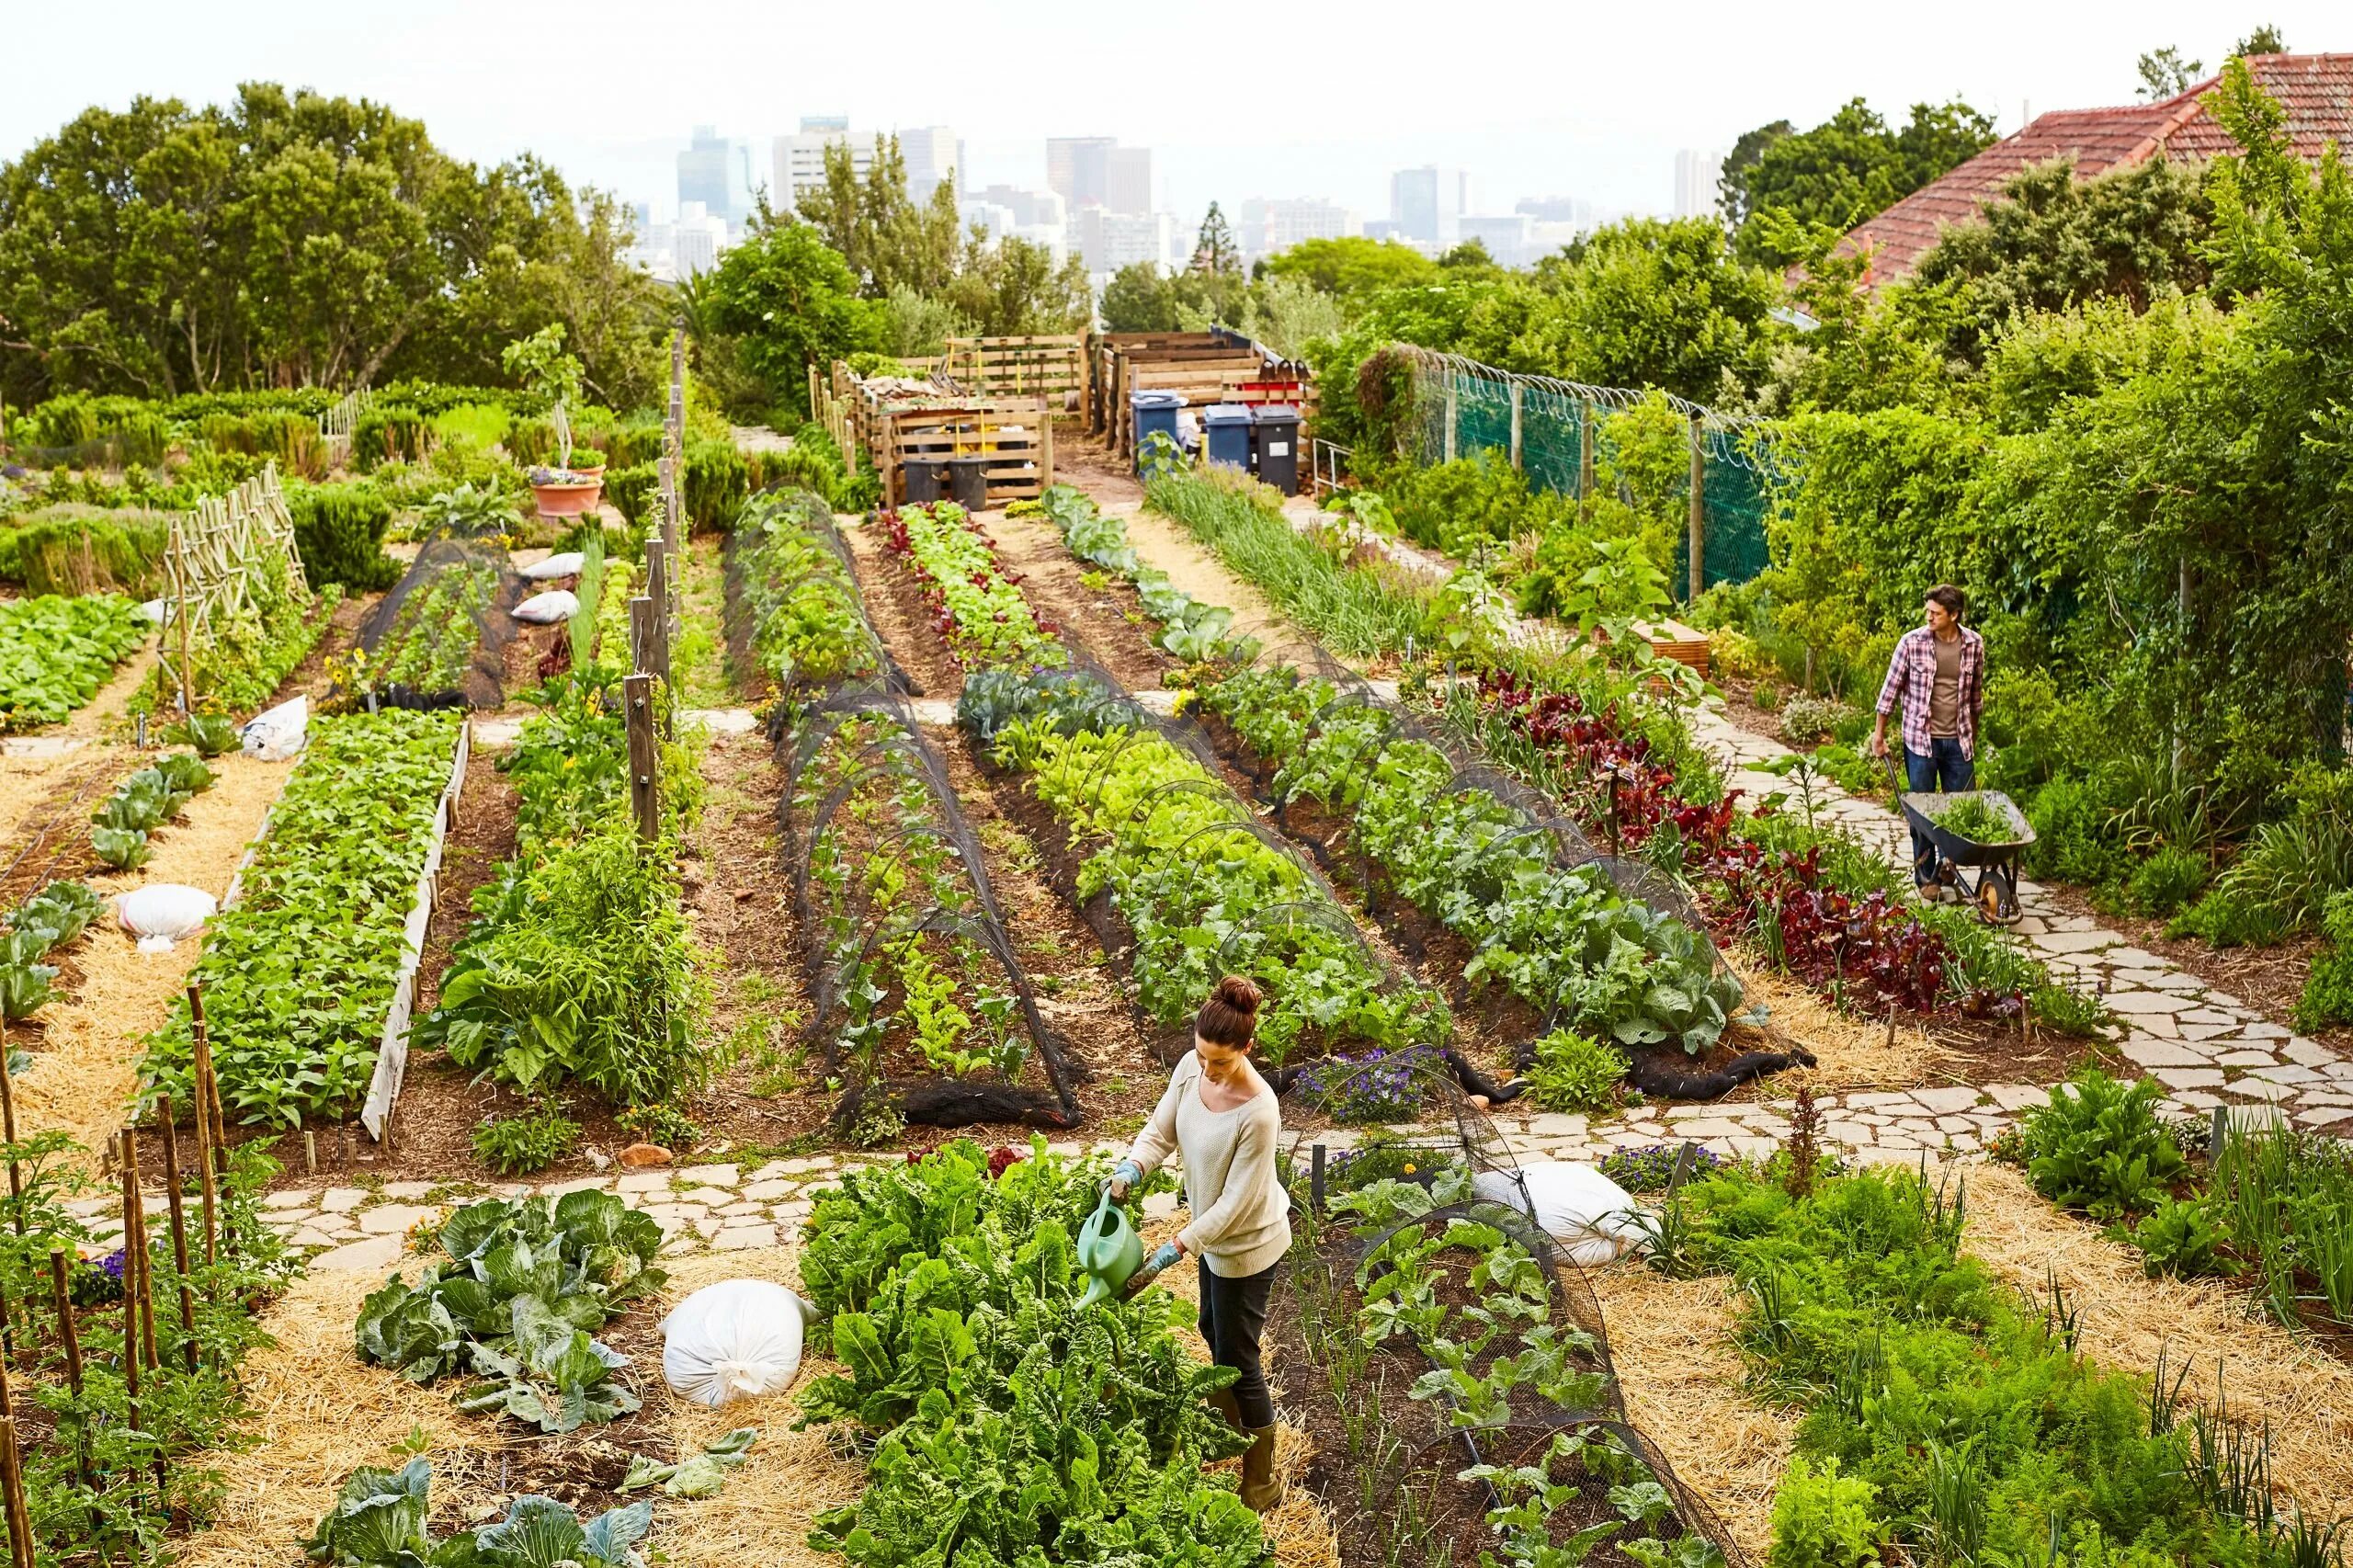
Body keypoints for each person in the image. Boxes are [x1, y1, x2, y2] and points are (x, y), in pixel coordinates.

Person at [1108, 974, 1290, 1513]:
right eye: (1203, 1056)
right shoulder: (1191, 1069)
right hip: (1211, 1238)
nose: (1209, 1070)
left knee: (1239, 1356)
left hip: (1247, 1243)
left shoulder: (1259, 1110)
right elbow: (1162, 1129)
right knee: (1210, 1326)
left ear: (1246, 1049)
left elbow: (1235, 1204)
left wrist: (1177, 1246)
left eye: (1221, 1063)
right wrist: (1132, 1167)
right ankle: (1227, 1428)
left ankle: (1262, 1478)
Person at [1870, 584, 1985, 898]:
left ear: (1954, 615)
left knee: (1960, 808)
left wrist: (1972, 734)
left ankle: (1949, 865)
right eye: (1928, 612)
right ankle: (1926, 878)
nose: (1929, 617)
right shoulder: (1912, 642)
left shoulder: (1973, 643)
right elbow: (1889, 691)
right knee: (1922, 809)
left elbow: (1975, 696)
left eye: (1935, 613)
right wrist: (1879, 735)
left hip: (1958, 740)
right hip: (1921, 742)